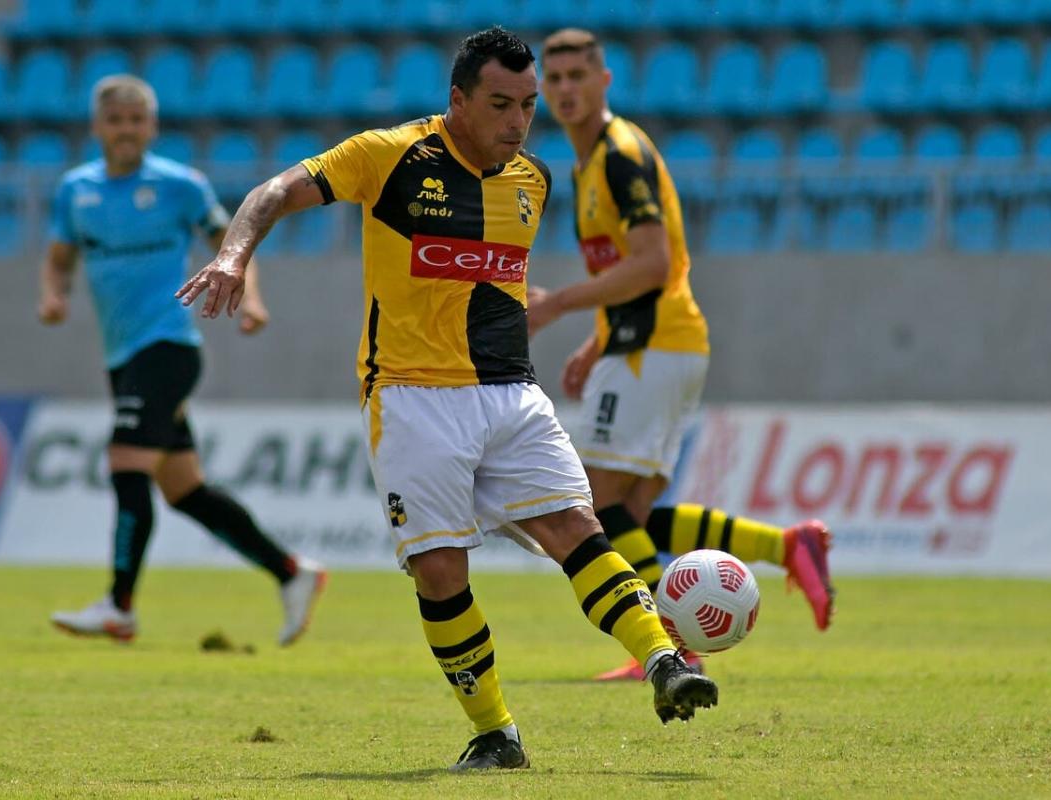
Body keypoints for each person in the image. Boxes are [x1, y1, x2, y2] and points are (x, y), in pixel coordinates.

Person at [176, 27, 717, 772]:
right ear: (457, 99)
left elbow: (492, 285)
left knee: (578, 528)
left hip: (510, 392)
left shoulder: (532, 181)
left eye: (527, 105)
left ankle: (665, 662)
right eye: (500, 104)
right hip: (411, 395)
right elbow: (272, 192)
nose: (517, 122)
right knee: (439, 572)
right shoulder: (388, 155)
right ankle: (496, 733)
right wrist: (234, 255)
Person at [530, 29, 835, 681]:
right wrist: (597, 340)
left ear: (604, 81)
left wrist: (557, 306)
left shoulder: (619, 156)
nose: (565, 89)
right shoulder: (593, 162)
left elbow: (653, 265)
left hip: (653, 348)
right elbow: (632, 272)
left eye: (577, 75)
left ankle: (670, 649)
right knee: (630, 513)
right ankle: (786, 545)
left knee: (598, 503)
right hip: (658, 344)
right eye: (553, 78)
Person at [40, 75, 326, 646]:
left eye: (135, 120)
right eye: (115, 121)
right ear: (98, 127)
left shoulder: (180, 185)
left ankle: (119, 606)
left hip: (168, 348)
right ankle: (292, 572)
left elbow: (232, 245)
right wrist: (54, 294)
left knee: (126, 462)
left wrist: (253, 299)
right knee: (183, 490)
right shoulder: (75, 190)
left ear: (152, 127)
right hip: (122, 356)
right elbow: (58, 257)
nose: (125, 130)